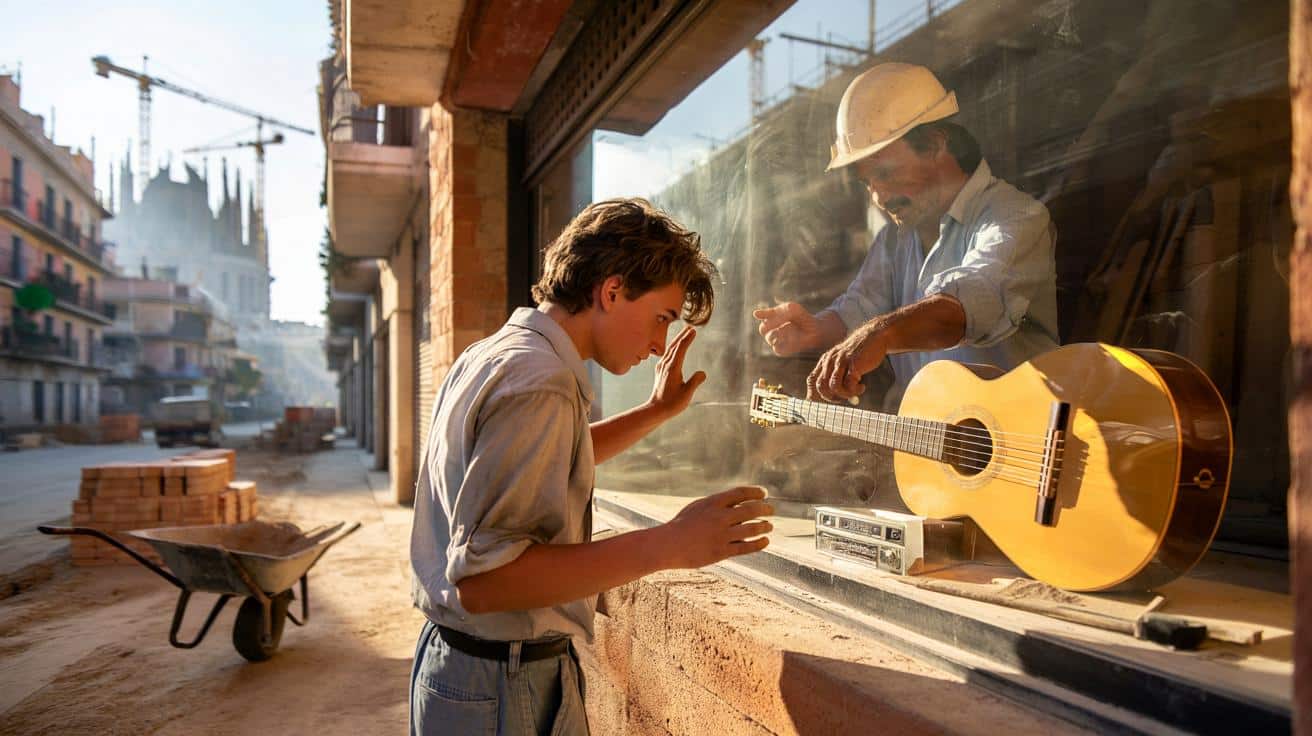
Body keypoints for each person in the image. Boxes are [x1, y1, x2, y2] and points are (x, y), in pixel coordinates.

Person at [410, 197, 774, 736]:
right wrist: (671, 544)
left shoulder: (497, 353)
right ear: (611, 290)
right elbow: (486, 583)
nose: (658, 345)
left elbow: (549, 457)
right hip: (501, 684)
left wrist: (654, 413)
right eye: (661, 318)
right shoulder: (542, 381)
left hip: (465, 668)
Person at [754, 63, 1059, 407]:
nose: (879, 197)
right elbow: (858, 312)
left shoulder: (1014, 216)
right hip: (925, 446)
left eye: (886, 173)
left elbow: (973, 304)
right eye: (868, 182)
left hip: (1014, 448)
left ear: (934, 145)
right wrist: (816, 330)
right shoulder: (893, 241)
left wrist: (881, 333)